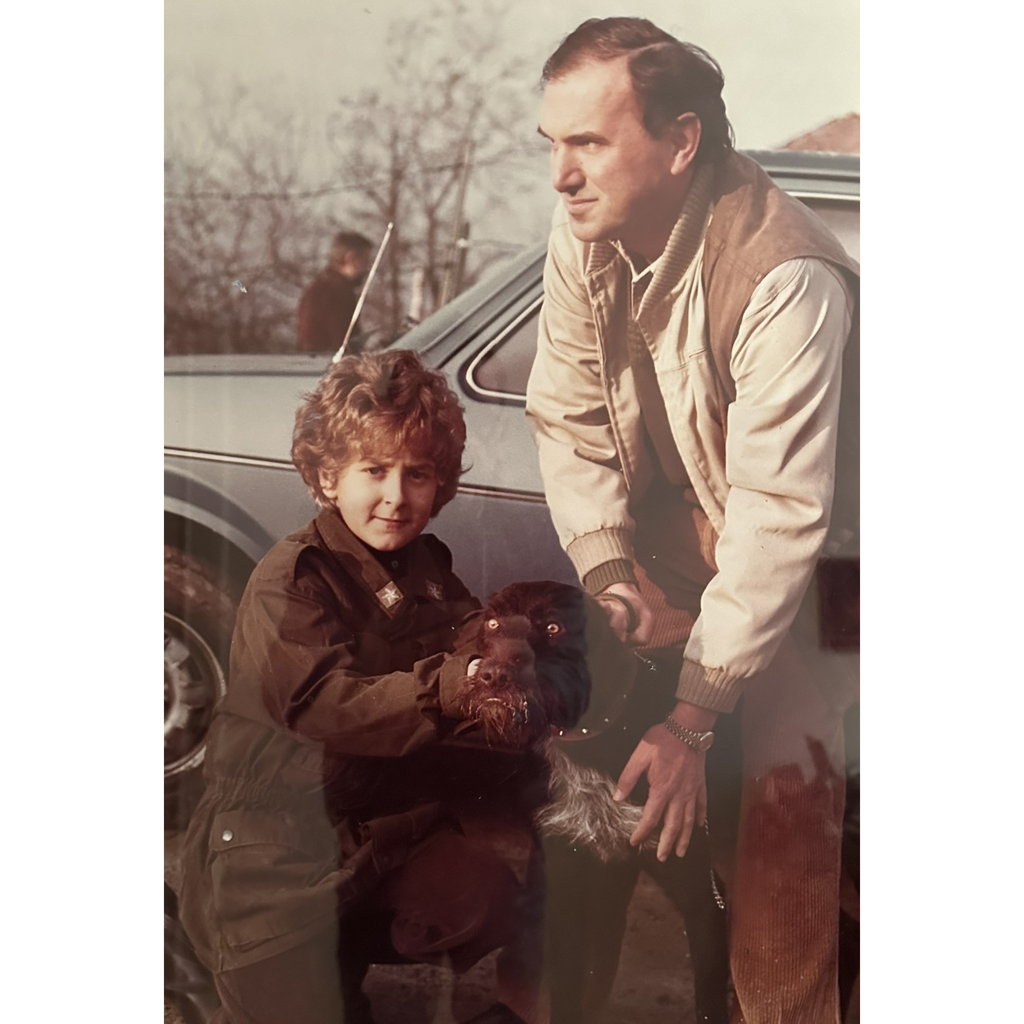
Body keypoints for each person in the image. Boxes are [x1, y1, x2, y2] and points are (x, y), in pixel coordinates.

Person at [525, 17, 859, 1024]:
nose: (561, 176)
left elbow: (778, 522)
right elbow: (568, 413)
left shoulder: (784, 276)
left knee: (779, 822)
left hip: (824, 579)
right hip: (691, 546)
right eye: (552, 144)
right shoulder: (585, 233)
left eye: (589, 143)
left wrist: (692, 717)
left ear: (679, 142)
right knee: (577, 797)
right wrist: (607, 570)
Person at [177, 349, 536, 1024]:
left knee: (491, 894)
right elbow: (323, 704)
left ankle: (338, 965)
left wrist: (513, 652)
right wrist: (451, 688)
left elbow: (472, 636)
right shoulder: (292, 579)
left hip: (375, 835)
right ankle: (215, 974)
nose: (396, 496)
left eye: (417, 474)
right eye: (374, 470)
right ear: (326, 477)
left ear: (439, 484)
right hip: (271, 853)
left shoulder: (427, 568)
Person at [297, 230, 373, 353]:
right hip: (326, 361)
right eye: (365, 260)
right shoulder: (336, 292)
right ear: (351, 259)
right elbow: (344, 343)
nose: (368, 267)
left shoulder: (323, 286)